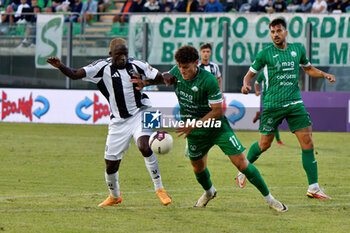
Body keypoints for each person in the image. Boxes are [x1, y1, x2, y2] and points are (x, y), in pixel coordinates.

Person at [132, 45, 288, 212]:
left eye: (185, 67)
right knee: (197, 168)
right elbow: (163, 78)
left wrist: (194, 124)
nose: (181, 71)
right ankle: (209, 192)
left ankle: (270, 199)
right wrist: (144, 83)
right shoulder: (177, 72)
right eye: (179, 66)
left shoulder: (208, 80)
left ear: (196, 63)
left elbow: (218, 111)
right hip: (194, 131)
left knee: (241, 163)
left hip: (216, 126)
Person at [46, 38, 172, 207]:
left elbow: (160, 78)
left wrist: (146, 82)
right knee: (111, 164)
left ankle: (160, 189)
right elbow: (75, 74)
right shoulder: (101, 67)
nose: (123, 58)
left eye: (125, 54)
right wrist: (60, 66)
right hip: (118, 121)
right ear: (111, 54)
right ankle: (114, 196)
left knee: (144, 145)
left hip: (144, 110)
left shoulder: (137, 65)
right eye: (119, 55)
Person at [237, 18, 335, 200]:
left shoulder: (297, 50)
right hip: (273, 105)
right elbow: (249, 75)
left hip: (295, 104)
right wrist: (245, 85)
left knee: (308, 143)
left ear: (286, 32)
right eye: (273, 32)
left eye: (279, 31)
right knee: (264, 144)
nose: (276, 34)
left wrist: (324, 74)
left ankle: (313, 187)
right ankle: (244, 166)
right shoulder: (265, 54)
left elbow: (309, 69)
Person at [253, 72, 284, 146]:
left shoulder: (278, 71)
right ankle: (278, 140)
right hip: (266, 96)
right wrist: (257, 91)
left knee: (273, 118)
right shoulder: (263, 73)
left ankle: (260, 116)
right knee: (273, 118)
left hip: (277, 96)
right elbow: (256, 83)